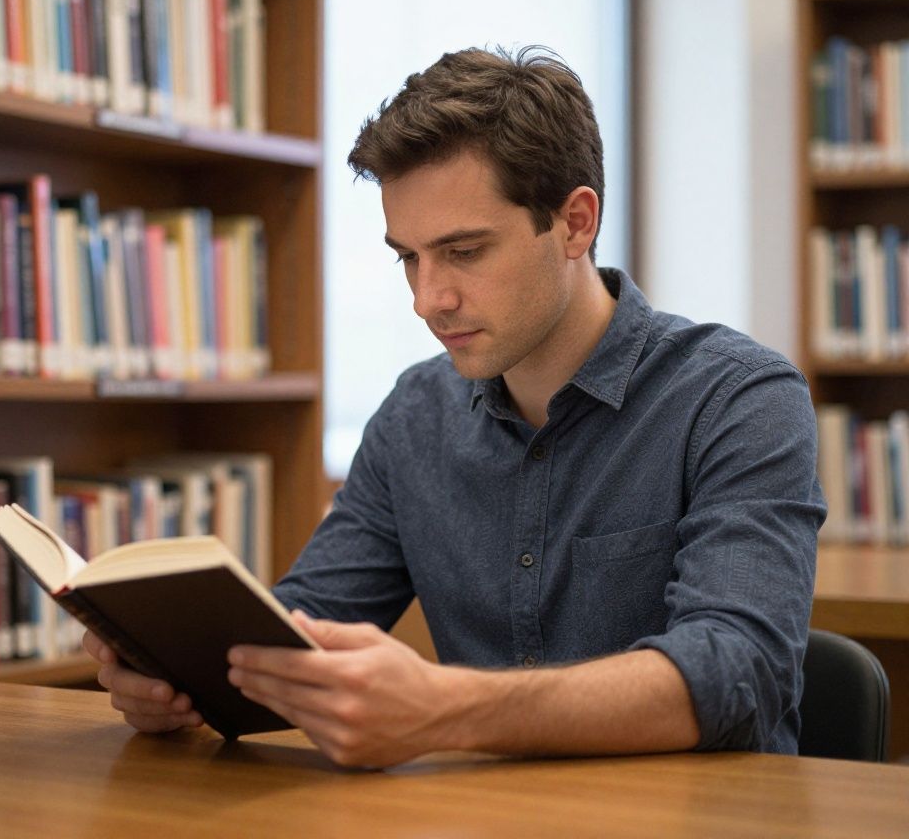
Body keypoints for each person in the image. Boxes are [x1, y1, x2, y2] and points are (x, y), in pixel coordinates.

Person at [84, 46, 825, 768]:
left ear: (575, 223)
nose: (426, 299)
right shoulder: (415, 415)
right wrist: (178, 673)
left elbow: (741, 670)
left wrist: (445, 708)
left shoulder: (739, 399)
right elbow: (301, 630)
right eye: (408, 256)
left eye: (464, 252)